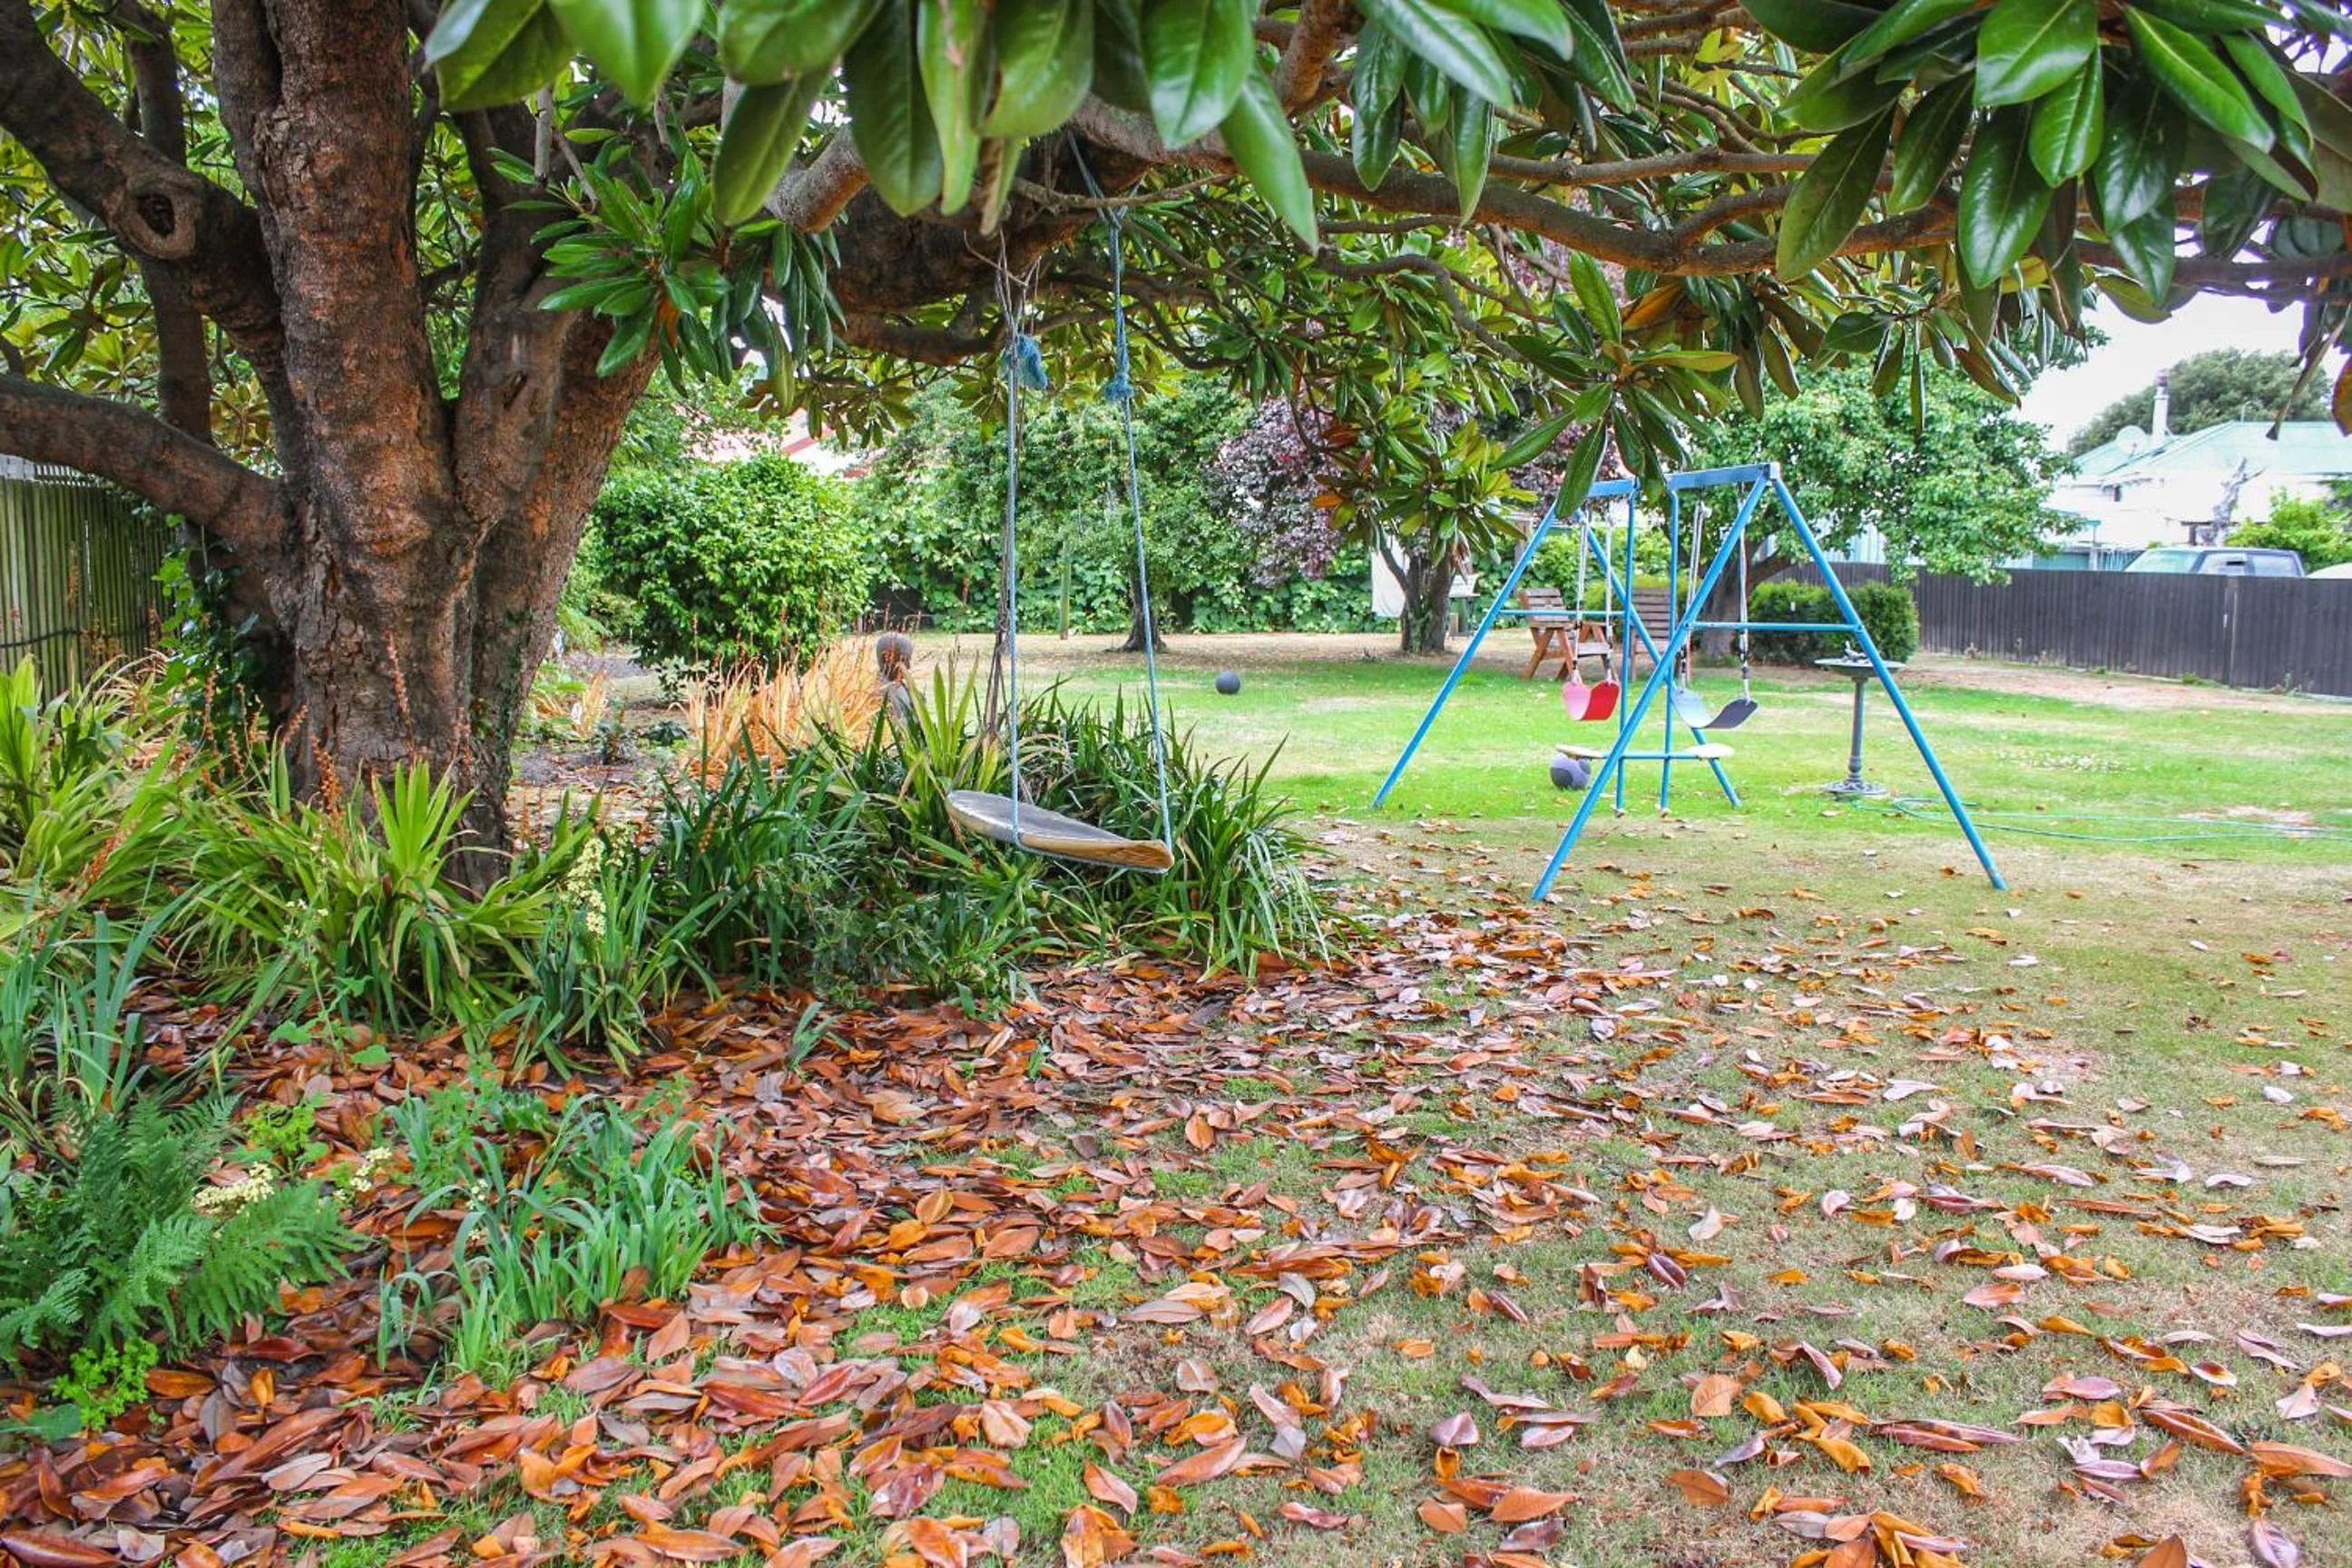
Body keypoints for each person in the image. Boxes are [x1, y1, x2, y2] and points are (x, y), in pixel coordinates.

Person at [874, 631, 916, 732]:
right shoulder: (881, 691)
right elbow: (890, 727)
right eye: (904, 660)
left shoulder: (900, 685)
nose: (908, 667)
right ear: (887, 658)